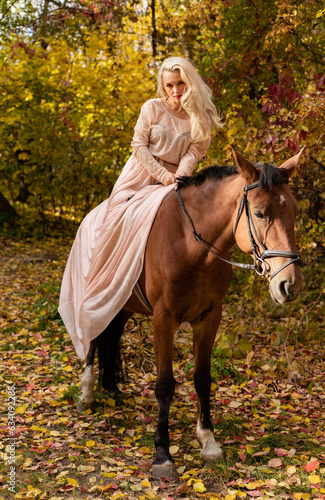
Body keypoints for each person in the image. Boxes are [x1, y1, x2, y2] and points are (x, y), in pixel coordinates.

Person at [59, 56, 222, 359]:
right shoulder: (152, 108)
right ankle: (99, 281)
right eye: (169, 84)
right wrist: (162, 176)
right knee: (116, 219)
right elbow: (138, 146)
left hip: (177, 179)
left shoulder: (198, 116)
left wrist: (181, 176)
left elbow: (195, 151)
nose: (175, 90)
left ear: (190, 82)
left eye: (180, 83)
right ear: (163, 85)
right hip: (141, 175)